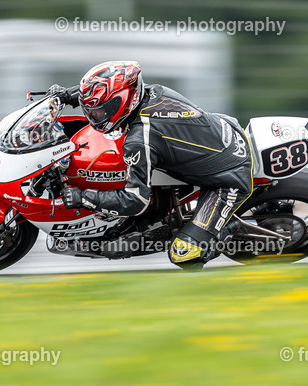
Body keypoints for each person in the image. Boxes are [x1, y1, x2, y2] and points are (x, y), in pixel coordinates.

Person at [52, 60, 254, 268]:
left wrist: (84, 197)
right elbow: (107, 89)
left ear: (120, 102)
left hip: (228, 176)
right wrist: (69, 95)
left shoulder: (140, 139)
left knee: (183, 254)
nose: (94, 117)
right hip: (222, 134)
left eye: (100, 111)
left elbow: (135, 201)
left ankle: (226, 229)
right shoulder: (149, 92)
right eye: (91, 111)